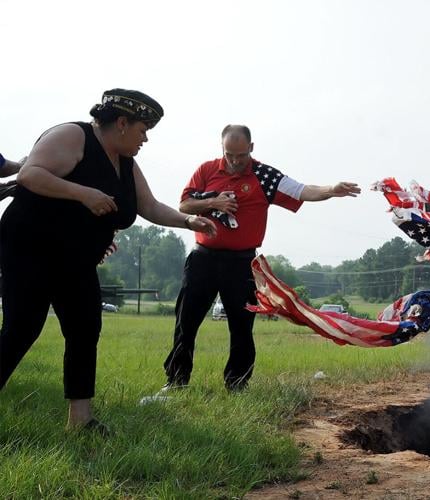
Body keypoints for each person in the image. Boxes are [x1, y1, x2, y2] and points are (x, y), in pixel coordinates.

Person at [0, 89, 216, 432]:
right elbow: (30, 175)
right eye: (143, 130)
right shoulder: (73, 136)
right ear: (121, 123)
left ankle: (80, 420)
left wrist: (188, 220)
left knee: (85, 328)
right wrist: (83, 193)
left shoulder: (125, 163)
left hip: (77, 259)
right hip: (32, 250)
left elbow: (150, 206)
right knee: (22, 328)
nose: (145, 138)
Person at [162, 124, 360, 392]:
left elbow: (301, 190)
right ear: (222, 148)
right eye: (229, 154)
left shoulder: (264, 175)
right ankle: (176, 383)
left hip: (241, 263)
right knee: (186, 322)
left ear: (251, 149)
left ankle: (237, 386)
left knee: (242, 327)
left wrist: (331, 189)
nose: (233, 161)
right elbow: (184, 205)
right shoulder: (207, 170)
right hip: (203, 259)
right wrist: (213, 203)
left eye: (240, 155)